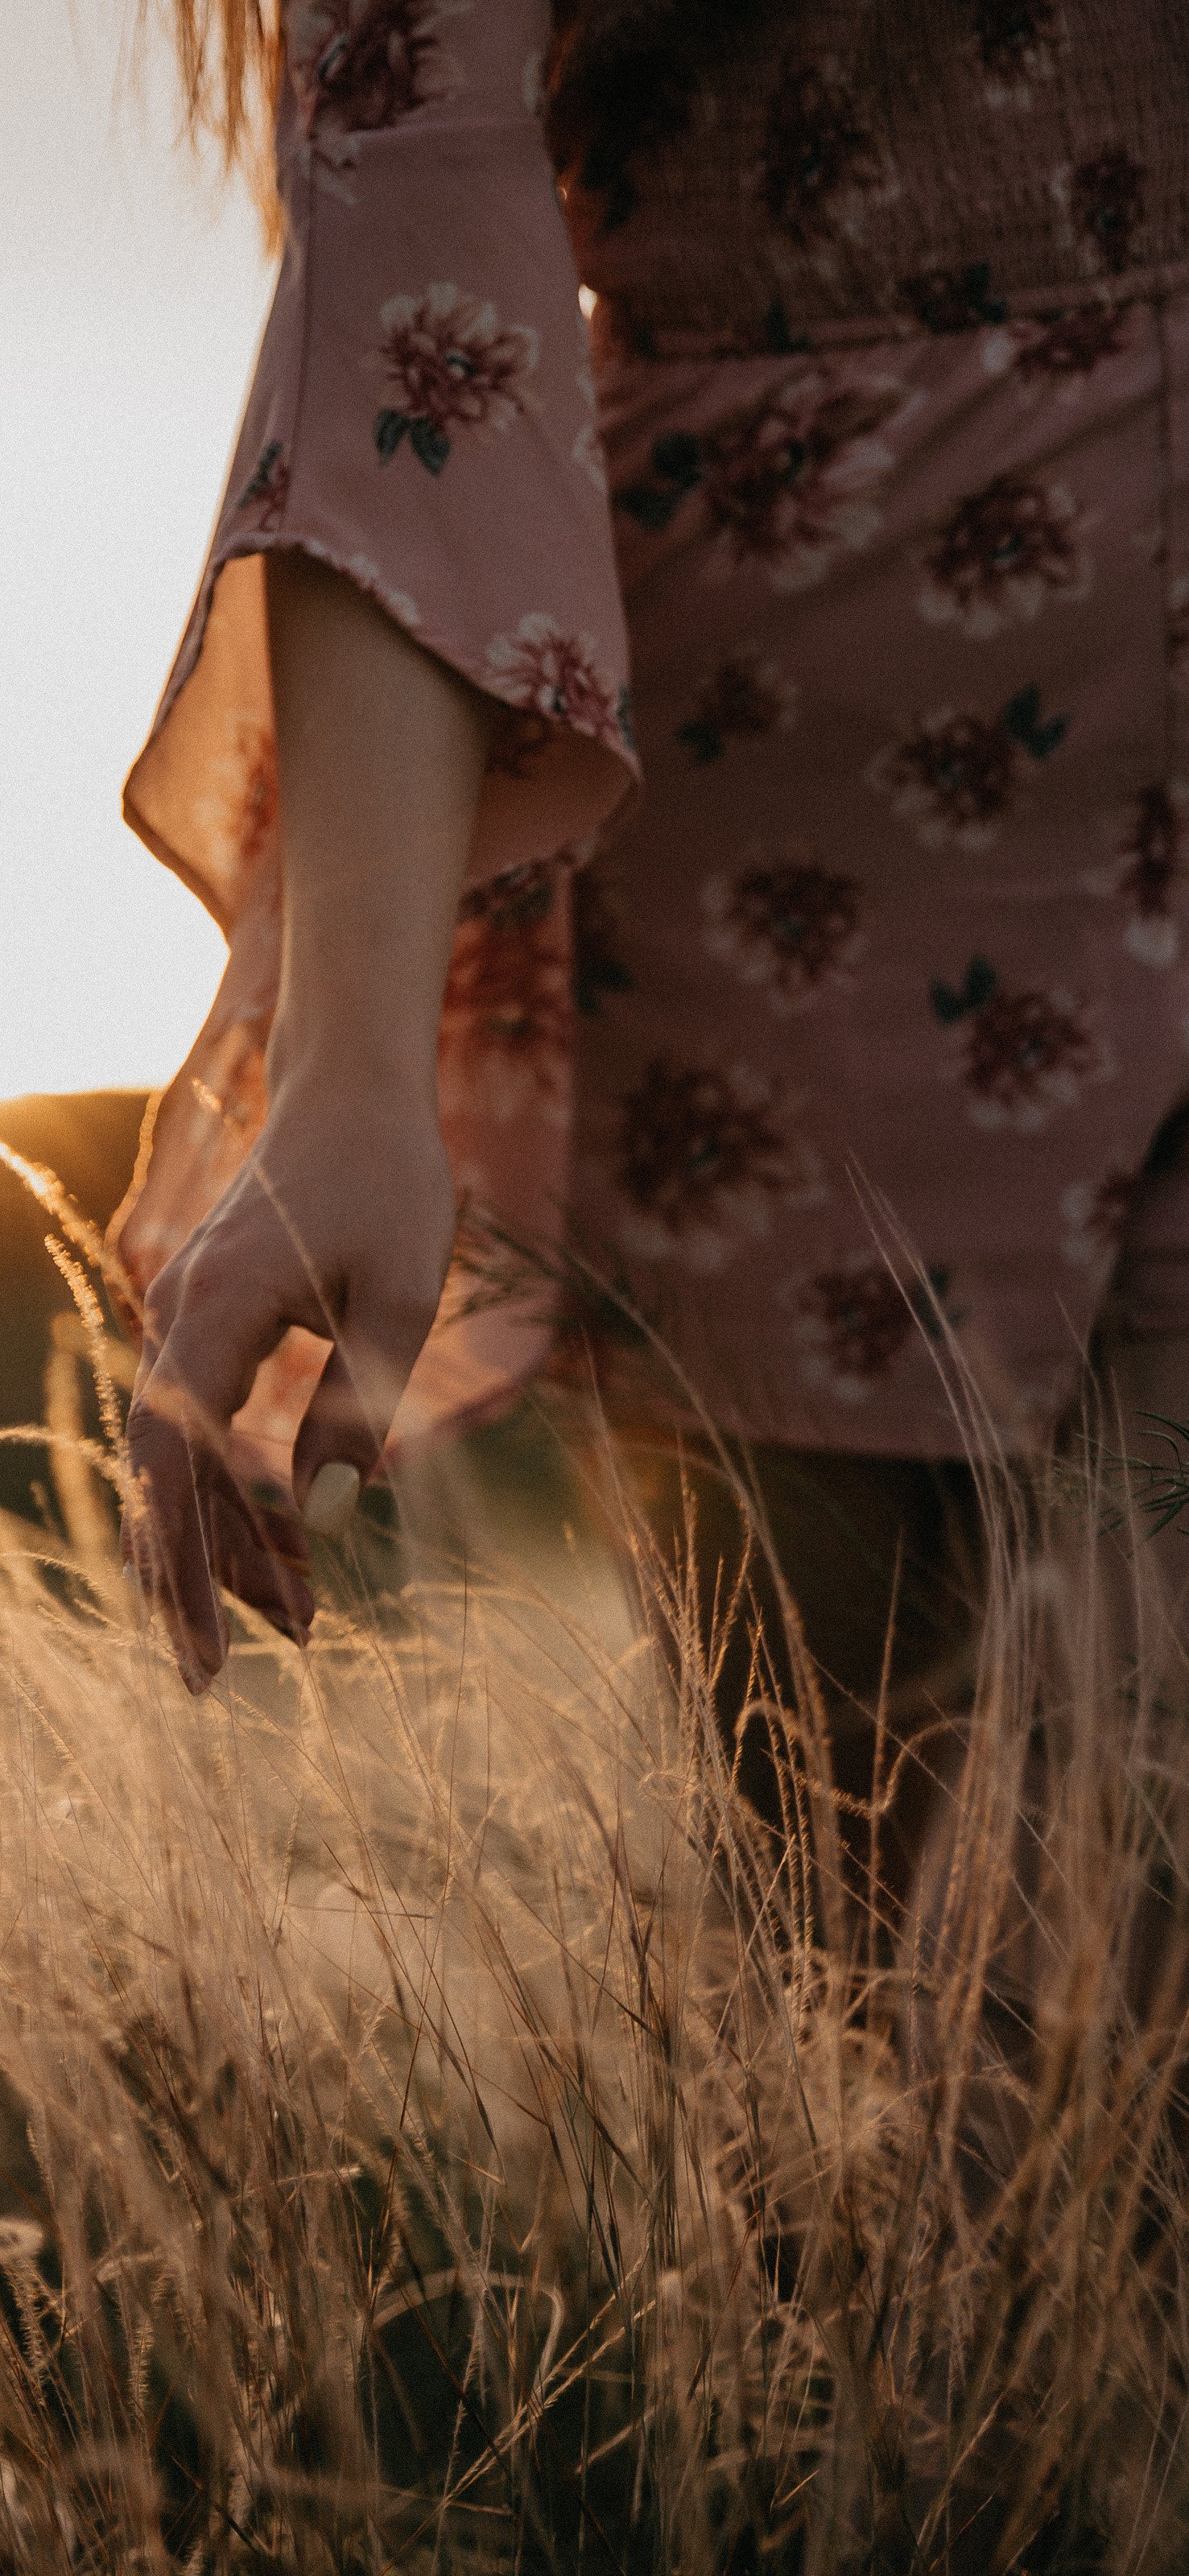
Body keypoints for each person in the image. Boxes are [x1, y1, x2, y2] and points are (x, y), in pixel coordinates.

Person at [111, 0, 1189, 1909]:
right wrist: (349, 1073)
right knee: (844, 1921)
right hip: (798, 889)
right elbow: (408, 248)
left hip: (808, 789)